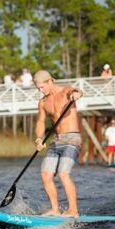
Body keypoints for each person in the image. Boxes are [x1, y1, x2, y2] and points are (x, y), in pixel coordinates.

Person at [33, 70, 83, 218]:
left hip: (72, 139)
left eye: (42, 87)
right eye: (38, 88)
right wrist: (38, 138)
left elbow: (77, 91)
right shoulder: (43, 102)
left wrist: (77, 94)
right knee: (45, 174)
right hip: (56, 140)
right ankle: (55, 209)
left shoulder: (66, 91)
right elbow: (41, 122)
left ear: (50, 81)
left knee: (63, 173)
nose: (41, 91)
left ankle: (73, 210)